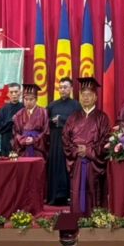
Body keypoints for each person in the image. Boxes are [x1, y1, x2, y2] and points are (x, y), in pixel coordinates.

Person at [63, 77, 112, 216]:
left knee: (93, 190)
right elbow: (65, 138)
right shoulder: (73, 117)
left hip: (93, 163)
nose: (85, 98)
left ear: (95, 97)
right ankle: (77, 216)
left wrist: (89, 151)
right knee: (77, 189)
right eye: (83, 95)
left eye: (89, 95)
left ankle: (95, 217)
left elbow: (106, 140)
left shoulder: (102, 117)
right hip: (77, 161)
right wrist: (76, 151)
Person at [47, 77, 79, 205]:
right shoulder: (52, 105)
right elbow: (45, 122)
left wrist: (61, 120)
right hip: (55, 141)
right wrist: (52, 121)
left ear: (71, 89)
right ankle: (54, 197)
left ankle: (68, 196)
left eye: (65, 87)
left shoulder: (76, 105)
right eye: (60, 87)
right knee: (55, 167)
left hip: (70, 142)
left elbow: (78, 122)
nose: (62, 90)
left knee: (68, 168)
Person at [11, 84, 49, 160]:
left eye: (31, 99)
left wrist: (34, 140)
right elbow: (15, 133)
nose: (28, 102)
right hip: (23, 149)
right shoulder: (18, 114)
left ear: (36, 99)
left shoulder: (43, 112)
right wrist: (24, 140)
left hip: (38, 149)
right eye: (26, 99)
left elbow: (46, 132)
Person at [0, 83, 23, 157]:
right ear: (8, 94)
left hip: (21, 143)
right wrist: (10, 122)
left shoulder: (24, 108)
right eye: (11, 92)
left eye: (16, 92)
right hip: (6, 142)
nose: (14, 94)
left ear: (20, 92)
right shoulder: (3, 109)